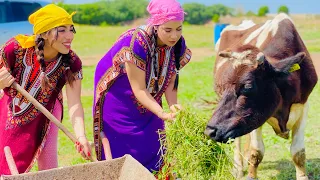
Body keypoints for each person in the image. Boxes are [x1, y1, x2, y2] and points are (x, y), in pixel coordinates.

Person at [93, 0, 192, 173]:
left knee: (155, 141)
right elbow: (138, 89)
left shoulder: (176, 44)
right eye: (167, 30)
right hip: (119, 93)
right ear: (155, 25)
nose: (174, 36)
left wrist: (173, 106)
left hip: (149, 91)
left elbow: (169, 78)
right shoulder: (137, 42)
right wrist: (162, 113)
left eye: (179, 29)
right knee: (126, 144)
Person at [0, 4, 92, 175]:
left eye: (71, 29)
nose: (69, 36)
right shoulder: (14, 48)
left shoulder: (72, 62)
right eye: (62, 30)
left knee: (49, 163)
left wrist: (81, 136)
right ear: (43, 32)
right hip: (12, 109)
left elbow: (75, 104)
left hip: (49, 110)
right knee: (7, 158)